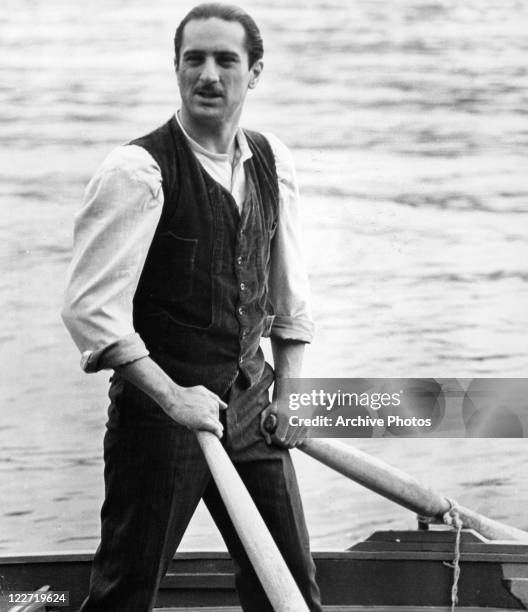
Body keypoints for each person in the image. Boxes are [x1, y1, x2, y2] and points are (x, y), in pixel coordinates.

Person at [62, 3, 322, 611]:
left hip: (253, 406)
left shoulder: (271, 162)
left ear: (253, 72)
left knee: (291, 590)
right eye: (194, 60)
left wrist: (291, 395)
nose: (209, 75)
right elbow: (90, 311)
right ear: (176, 69)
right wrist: (173, 397)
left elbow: (289, 297)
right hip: (161, 417)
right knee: (125, 595)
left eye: (226, 60)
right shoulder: (138, 170)